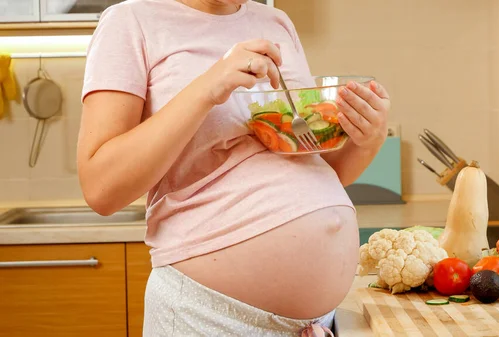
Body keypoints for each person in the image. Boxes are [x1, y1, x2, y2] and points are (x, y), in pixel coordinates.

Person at [78, 0, 391, 335]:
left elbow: (310, 168)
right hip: (205, 319)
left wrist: (368, 138)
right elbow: (101, 189)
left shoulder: (277, 22)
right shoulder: (131, 22)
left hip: (313, 324)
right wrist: (208, 87)